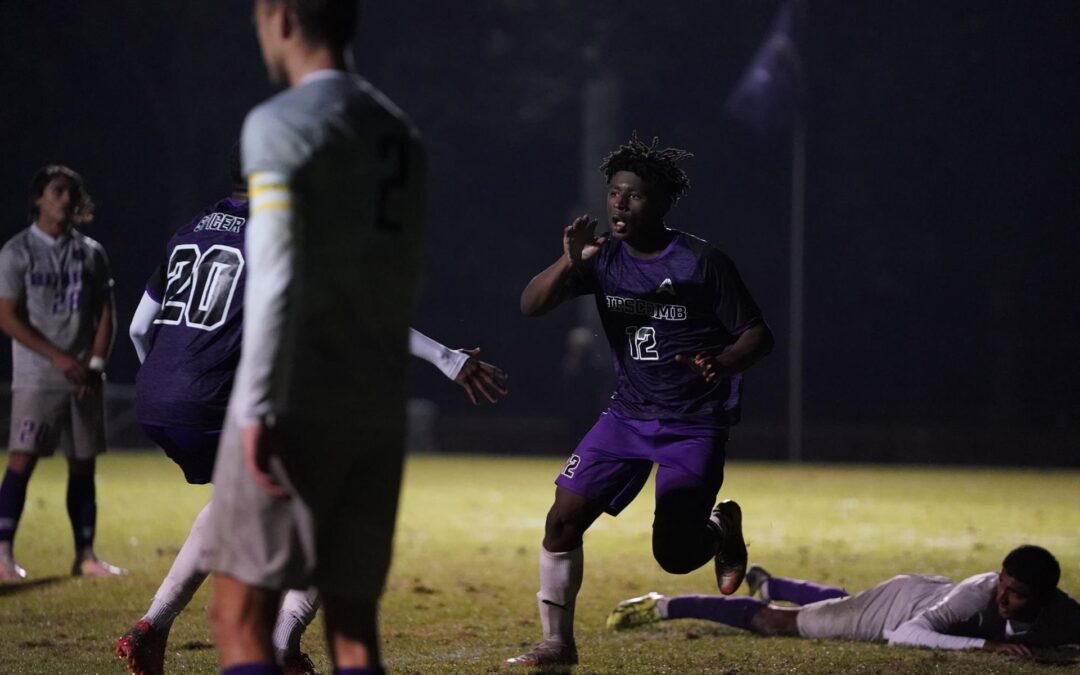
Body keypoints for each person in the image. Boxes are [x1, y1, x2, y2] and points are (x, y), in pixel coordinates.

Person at [117, 152, 505, 675]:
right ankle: (280, 644)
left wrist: (167, 385)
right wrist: (446, 358)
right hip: (212, 402)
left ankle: (150, 628)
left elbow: (141, 328)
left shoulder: (192, 229)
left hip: (158, 399)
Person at [200, 1, 427, 674]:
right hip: (377, 407)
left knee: (239, 617)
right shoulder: (401, 135)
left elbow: (274, 275)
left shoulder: (281, 123)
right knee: (352, 627)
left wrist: (261, 405)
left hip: (300, 397)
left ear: (283, 16)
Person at [507, 135, 774, 667]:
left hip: (694, 422)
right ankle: (556, 645)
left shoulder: (702, 261)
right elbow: (531, 305)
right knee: (561, 521)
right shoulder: (600, 258)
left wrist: (720, 362)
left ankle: (721, 528)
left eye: (635, 196)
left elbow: (757, 334)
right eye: (614, 193)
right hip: (626, 415)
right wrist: (566, 261)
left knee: (674, 556)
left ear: (662, 203)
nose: (620, 204)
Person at [607, 545, 1080, 656]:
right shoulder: (978, 595)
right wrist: (985, 648)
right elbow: (902, 635)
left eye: (1015, 594)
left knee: (842, 602)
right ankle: (664, 604)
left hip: (918, 593)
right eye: (1002, 584)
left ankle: (771, 583)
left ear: (1042, 596)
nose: (1003, 597)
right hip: (898, 611)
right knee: (778, 624)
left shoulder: (1061, 610)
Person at [0, 165, 123, 580]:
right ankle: (2, 554)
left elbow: (107, 312)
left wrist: (94, 364)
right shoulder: (17, 252)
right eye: (57, 191)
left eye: (71, 192)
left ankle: (86, 556)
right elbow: (8, 317)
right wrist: (57, 357)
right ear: (38, 198)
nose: (66, 199)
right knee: (22, 460)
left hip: (83, 377)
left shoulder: (91, 252)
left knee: (83, 463)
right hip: (38, 375)